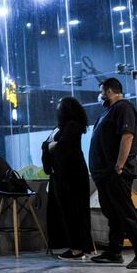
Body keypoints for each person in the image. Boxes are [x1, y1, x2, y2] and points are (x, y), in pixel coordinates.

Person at [88, 78, 137, 269]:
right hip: (104, 173)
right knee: (113, 212)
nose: (100, 95)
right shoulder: (107, 111)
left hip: (116, 172)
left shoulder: (123, 108)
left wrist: (119, 166)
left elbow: (127, 137)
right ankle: (114, 252)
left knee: (125, 211)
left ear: (108, 91)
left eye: (101, 92)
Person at [46, 97, 93, 260]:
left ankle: (77, 248)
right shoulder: (63, 127)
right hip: (63, 174)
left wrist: (50, 146)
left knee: (74, 211)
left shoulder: (72, 125)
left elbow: (63, 146)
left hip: (71, 175)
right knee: (68, 211)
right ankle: (76, 246)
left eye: (60, 107)